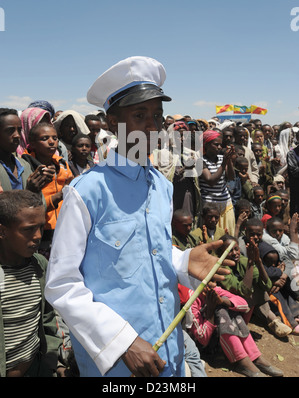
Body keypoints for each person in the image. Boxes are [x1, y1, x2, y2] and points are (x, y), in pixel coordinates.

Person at [45, 56, 233, 378]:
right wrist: (121, 342)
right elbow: (62, 284)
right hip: (119, 364)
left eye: (157, 116)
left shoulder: (159, 184)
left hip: (167, 348)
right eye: (139, 114)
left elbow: (149, 248)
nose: (151, 125)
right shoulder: (87, 191)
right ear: (112, 121)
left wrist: (183, 261)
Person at [0, 190, 63, 377]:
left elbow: (47, 317)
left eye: (41, 228)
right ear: (2, 231)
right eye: (28, 229)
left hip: (36, 369)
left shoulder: (39, 265)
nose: (37, 236)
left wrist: (53, 362)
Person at [179, 281, 283, 377]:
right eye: (210, 281)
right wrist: (210, 310)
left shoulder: (215, 289)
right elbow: (203, 339)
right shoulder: (192, 300)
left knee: (226, 304)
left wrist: (222, 301)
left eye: (214, 281)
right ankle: (242, 361)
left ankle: (254, 357)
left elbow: (244, 304)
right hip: (204, 346)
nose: (213, 284)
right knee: (220, 311)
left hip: (217, 337)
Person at [217, 231, 292, 338]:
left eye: (236, 249)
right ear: (221, 253)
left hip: (250, 302)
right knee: (252, 289)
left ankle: (274, 321)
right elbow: (244, 291)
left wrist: (258, 261)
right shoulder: (221, 269)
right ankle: (268, 320)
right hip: (234, 305)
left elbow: (266, 285)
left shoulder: (242, 260)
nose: (234, 253)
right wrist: (251, 263)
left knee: (258, 285)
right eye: (229, 251)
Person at [21, 122, 74, 258]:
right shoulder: (26, 166)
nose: (51, 142)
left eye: (54, 138)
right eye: (44, 139)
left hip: (63, 227)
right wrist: (58, 196)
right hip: (41, 231)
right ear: (32, 143)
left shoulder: (61, 163)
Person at [0, 108, 53, 194]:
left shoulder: (24, 165)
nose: (17, 135)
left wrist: (37, 186)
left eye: (19, 130)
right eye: (10, 131)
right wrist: (29, 191)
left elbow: (40, 204)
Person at [198, 130, 235, 234]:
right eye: (216, 144)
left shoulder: (221, 158)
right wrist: (224, 164)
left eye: (220, 145)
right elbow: (210, 180)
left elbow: (231, 177)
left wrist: (229, 160)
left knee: (227, 235)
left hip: (225, 204)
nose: (219, 147)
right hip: (210, 207)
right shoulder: (200, 161)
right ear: (206, 145)